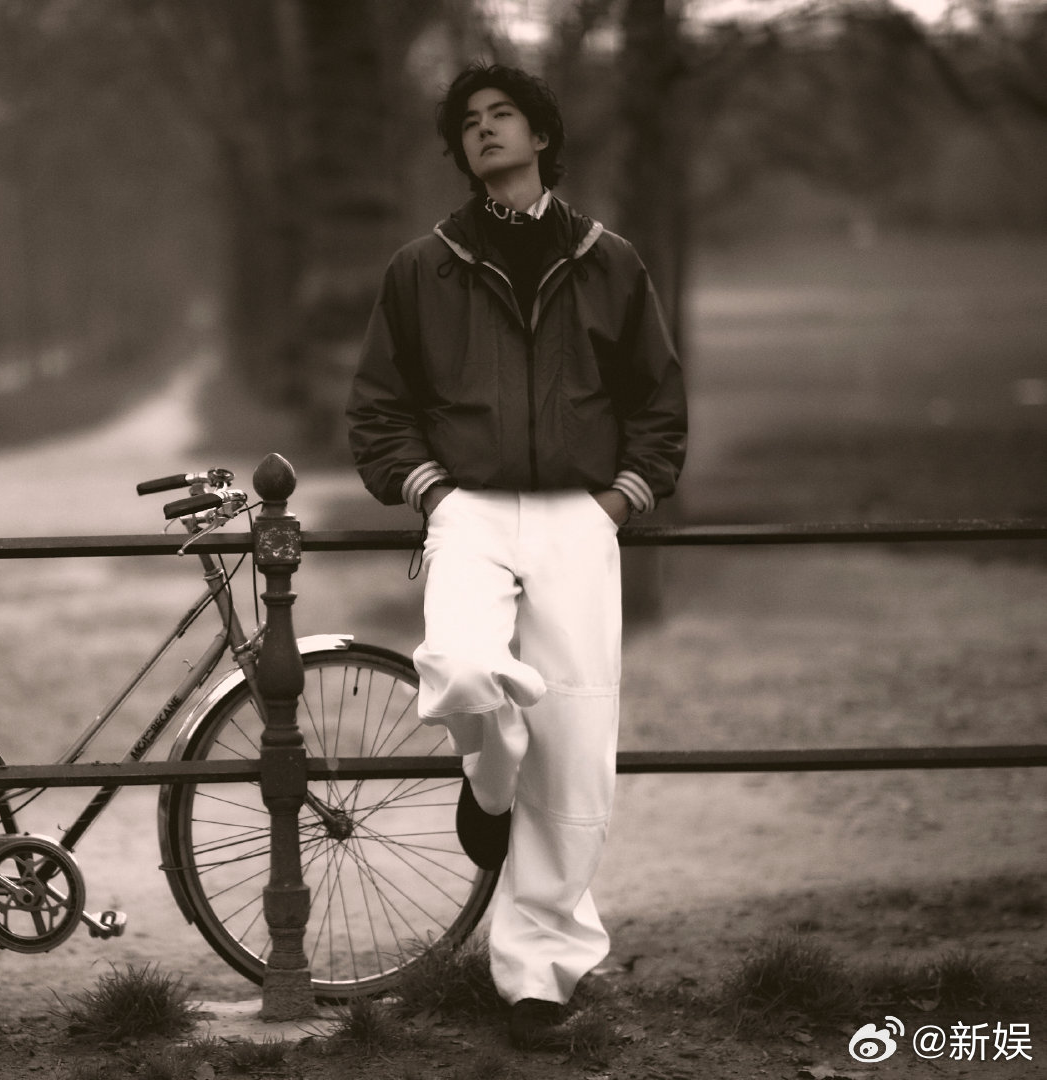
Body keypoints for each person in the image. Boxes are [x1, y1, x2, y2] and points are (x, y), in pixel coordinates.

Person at [344, 62, 687, 1048]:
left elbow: (658, 403)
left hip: (581, 516)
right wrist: (432, 491)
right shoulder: (423, 267)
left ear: (541, 137)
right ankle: (490, 781)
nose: (485, 129)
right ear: (460, 151)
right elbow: (378, 408)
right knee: (458, 666)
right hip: (470, 511)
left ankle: (538, 974)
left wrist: (618, 500)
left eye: (504, 115)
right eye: (469, 121)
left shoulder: (609, 261)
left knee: (574, 752)